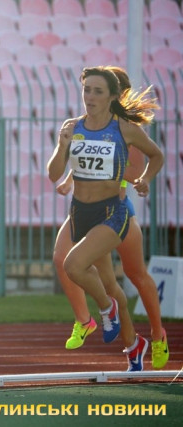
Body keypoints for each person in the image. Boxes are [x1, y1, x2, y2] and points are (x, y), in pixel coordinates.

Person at [47, 66, 164, 371]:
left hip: (113, 212)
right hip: (81, 212)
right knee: (109, 285)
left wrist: (144, 180)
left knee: (81, 266)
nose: (89, 96)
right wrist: (62, 145)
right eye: (86, 90)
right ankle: (133, 345)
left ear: (113, 96)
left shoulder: (124, 129)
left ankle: (141, 327)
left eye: (97, 91)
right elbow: (54, 173)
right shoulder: (74, 127)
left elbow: (154, 157)